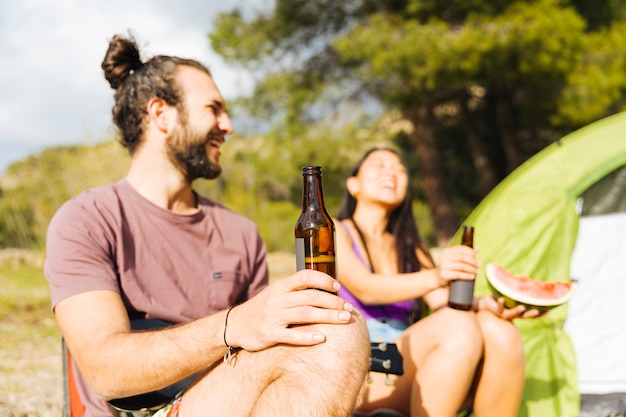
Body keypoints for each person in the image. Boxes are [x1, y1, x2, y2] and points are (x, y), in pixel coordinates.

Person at [44, 33, 371, 417]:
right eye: (213, 109)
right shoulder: (87, 219)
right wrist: (234, 324)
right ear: (161, 115)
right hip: (146, 411)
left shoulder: (241, 233)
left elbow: (272, 352)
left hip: (225, 396)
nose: (227, 125)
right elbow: (105, 371)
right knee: (338, 335)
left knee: (334, 326)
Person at [334, 147, 541, 417]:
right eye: (379, 165)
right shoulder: (335, 230)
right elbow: (365, 288)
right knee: (458, 324)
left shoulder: (411, 245)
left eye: (399, 168)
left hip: (407, 362)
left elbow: (443, 301)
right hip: (361, 367)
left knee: (500, 330)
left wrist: (489, 304)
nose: (391, 172)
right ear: (353, 184)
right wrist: (437, 275)